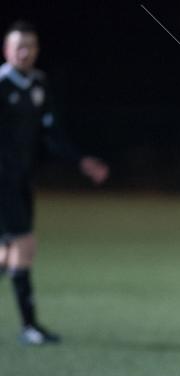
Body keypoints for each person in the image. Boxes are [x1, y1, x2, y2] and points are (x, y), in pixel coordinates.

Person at [0, 20, 109, 345]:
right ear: (6, 50)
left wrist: (80, 161)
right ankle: (29, 326)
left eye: (30, 46)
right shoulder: (2, 84)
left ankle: (29, 326)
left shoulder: (39, 82)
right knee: (24, 245)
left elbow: (51, 133)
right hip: (2, 181)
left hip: (22, 179)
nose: (24, 52)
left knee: (8, 253)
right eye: (18, 46)